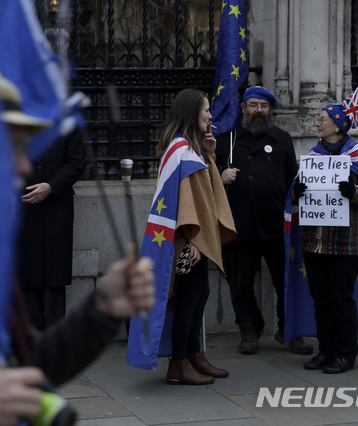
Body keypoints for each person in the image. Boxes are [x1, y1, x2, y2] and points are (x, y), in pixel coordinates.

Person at [0, 65, 155, 425]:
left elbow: (31, 360)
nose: (24, 165)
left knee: (50, 285)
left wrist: (104, 309)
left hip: (53, 214)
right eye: (13, 147)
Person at [127, 88, 236, 385]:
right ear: (192, 113)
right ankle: (178, 363)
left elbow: (204, 194)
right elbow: (183, 203)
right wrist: (190, 241)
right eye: (206, 111)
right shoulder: (180, 150)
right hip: (185, 240)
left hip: (191, 238)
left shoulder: (191, 148)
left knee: (200, 295)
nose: (211, 116)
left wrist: (209, 151)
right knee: (189, 298)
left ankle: (193, 355)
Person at [215, 86, 313, 356]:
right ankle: (248, 328)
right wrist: (221, 175)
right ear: (243, 108)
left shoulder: (281, 138)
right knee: (241, 282)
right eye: (253, 105)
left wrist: (299, 189)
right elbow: (204, 175)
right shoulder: (227, 139)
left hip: (276, 225)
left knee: (286, 281)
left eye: (264, 106)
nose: (259, 111)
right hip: (239, 225)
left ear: (271, 110)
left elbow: (292, 177)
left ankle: (290, 330)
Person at [291, 90, 358, 374]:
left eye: (322, 119)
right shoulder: (312, 157)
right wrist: (297, 192)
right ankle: (326, 350)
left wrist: (352, 191)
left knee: (341, 300)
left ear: (338, 125)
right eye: (318, 119)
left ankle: (345, 354)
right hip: (314, 242)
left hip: (345, 244)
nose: (317, 124)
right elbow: (295, 198)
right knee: (321, 299)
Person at [17, 125, 86, 331]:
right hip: (23, 211)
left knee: (54, 282)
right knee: (26, 279)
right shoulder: (14, 121)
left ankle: (55, 347)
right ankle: (32, 346)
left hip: (56, 211)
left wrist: (51, 187)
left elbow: (76, 162)